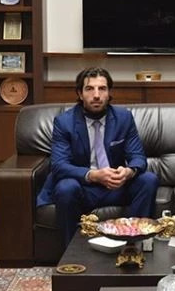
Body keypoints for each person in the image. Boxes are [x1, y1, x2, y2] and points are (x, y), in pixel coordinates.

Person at [36, 67, 159, 247]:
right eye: (89, 89)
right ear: (80, 94)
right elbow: (59, 165)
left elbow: (138, 157)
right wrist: (93, 175)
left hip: (115, 186)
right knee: (65, 188)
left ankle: (133, 246)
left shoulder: (124, 118)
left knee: (148, 180)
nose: (96, 95)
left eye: (102, 89)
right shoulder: (64, 122)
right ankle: (73, 253)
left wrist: (128, 172)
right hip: (83, 187)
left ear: (109, 93)